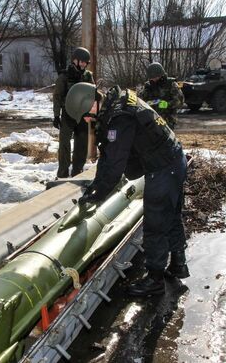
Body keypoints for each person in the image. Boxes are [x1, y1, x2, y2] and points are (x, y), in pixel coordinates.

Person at [64, 82, 188, 296]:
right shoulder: (118, 102)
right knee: (171, 215)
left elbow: (114, 166)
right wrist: (95, 187)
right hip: (174, 160)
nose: (86, 120)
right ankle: (178, 264)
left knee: (155, 223)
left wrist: (98, 196)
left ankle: (155, 280)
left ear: (91, 103)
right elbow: (108, 155)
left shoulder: (119, 118)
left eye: (85, 114)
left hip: (163, 168)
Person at [52, 47, 95, 178]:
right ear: (74, 61)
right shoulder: (64, 76)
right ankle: (63, 173)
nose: (83, 64)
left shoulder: (88, 76)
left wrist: (92, 113)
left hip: (83, 114)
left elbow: (92, 94)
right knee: (64, 144)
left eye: (85, 63)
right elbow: (57, 96)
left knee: (81, 144)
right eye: (81, 62)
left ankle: (77, 171)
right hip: (68, 113)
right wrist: (56, 115)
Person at [137, 62, 184, 130]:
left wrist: (167, 104)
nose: (153, 79)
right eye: (151, 78)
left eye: (155, 77)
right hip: (151, 119)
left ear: (161, 75)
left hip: (168, 119)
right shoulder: (148, 86)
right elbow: (140, 100)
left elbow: (180, 101)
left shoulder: (171, 84)